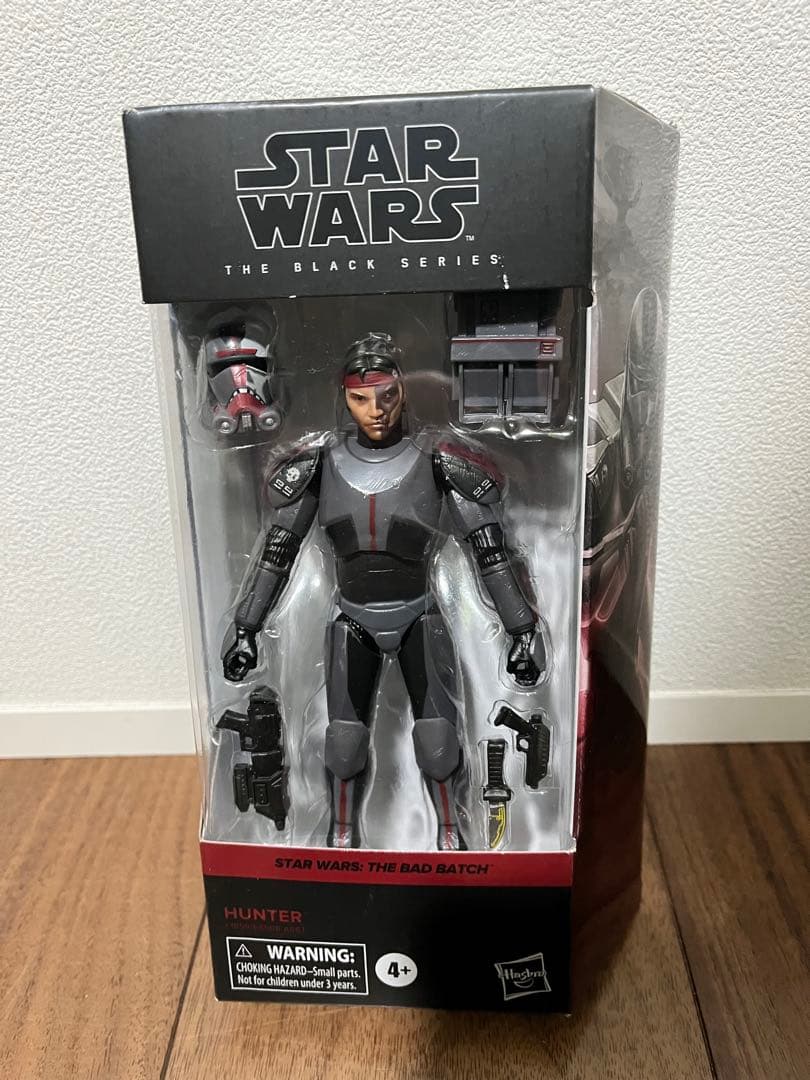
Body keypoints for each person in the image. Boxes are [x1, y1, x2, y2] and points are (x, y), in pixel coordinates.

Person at [222, 332, 545, 849]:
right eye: (360, 398)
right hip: (352, 620)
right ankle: (341, 836)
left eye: (387, 395)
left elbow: (489, 550)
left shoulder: (437, 461)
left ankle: (450, 834)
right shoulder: (320, 467)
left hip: (420, 615)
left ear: (402, 391)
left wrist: (522, 630)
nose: (376, 410)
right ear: (345, 397)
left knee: (439, 742)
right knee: (343, 744)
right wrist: (246, 628)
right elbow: (277, 552)